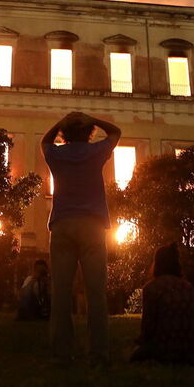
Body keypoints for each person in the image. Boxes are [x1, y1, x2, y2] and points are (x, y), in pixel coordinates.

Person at [42, 111, 121, 365]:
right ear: (88, 133)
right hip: (93, 225)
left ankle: (61, 352)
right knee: (95, 292)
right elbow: (116, 132)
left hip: (63, 224)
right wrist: (92, 118)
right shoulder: (95, 152)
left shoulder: (56, 154)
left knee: (61, 292)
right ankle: (98, 352)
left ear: (64, 134)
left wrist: (62, 120)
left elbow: (45, 141)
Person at [130, 243, 194, 365]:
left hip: (164, 349)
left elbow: (148, 327)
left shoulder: (151, 288)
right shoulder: (188, 286)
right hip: (190, 350)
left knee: (135, 355)